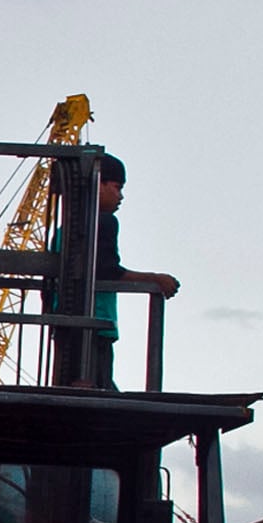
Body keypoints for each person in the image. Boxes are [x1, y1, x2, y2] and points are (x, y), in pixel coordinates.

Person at [52, 154, 177, 387]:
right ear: (97, 184)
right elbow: (107, 271)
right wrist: (155, 279)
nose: (120, 196)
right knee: (97, 387)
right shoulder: (106, 222)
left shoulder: (62, 231)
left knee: (75, 386)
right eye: (117, 187)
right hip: (96, 327)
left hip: (65, 332)